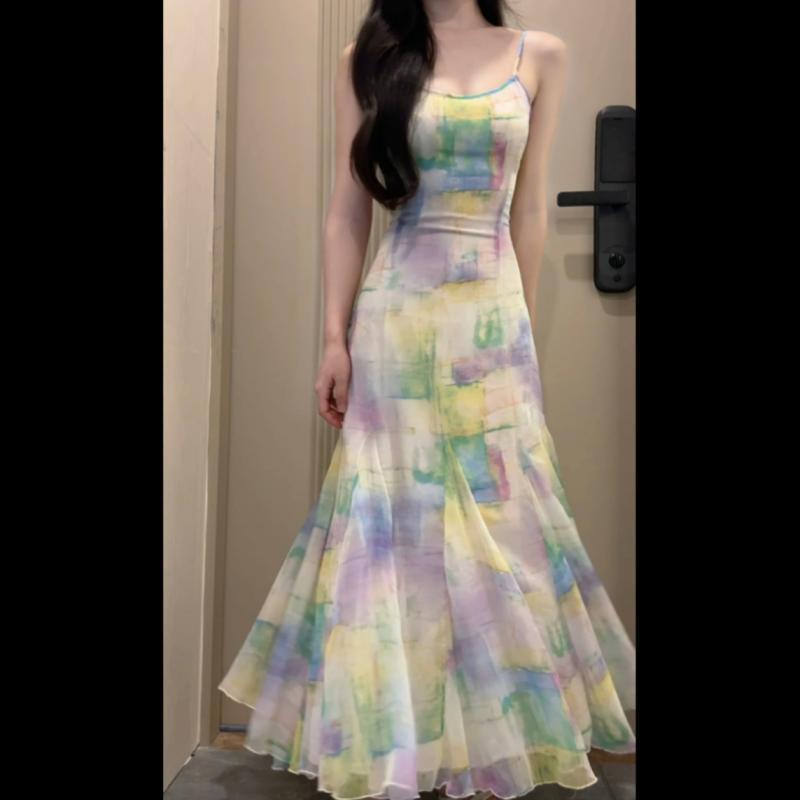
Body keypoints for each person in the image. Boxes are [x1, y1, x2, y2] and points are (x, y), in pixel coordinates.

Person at [219, 2, 636, 799]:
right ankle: (395, 751)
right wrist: (334, 338)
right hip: (397, 325)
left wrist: (519, 334)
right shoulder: (366, 57)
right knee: (394, 540)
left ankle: (486, 753)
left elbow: (529, 209)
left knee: (507, 529)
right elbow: (348, 209)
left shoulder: (539, 55)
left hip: (491, 328)